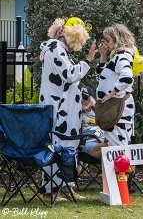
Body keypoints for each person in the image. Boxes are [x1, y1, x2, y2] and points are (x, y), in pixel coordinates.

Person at [39, 17, 96, 200]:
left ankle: (64, 187)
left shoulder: (58, 50)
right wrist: (88, 60)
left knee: (64, 147)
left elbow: (68, 81)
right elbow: (70, 75)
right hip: (58, 110)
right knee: (56, 147)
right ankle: (50, 190)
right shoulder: (56, 49)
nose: (76, 47)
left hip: (64, 109)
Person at [96, 23, 136, 146]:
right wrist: (103, 56)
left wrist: (111, 94)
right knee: (116, 147)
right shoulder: (118, 57)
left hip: (118, 108)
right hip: (116, 108)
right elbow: (100, 76)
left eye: (108, 40)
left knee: (119, 149)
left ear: (117, 39)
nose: (106, 43)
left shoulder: (122, 56)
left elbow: (127, 77)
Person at [80, 87, 108, 159]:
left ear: (91, 100)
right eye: (79, 97)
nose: (82, 100)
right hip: (88, 142)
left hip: (103, 139)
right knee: (113, 146)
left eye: (85, 97)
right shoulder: (76, 114)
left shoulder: (97, 112)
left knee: (115, 144)